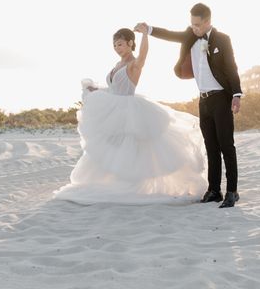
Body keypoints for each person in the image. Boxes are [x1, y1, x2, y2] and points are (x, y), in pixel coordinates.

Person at [52, 26, 205, 205]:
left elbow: (143, 55)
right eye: (115, 45)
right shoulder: (117, 64)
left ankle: (130, 183)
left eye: (120, 44)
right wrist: (96, 90)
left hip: (128, 110)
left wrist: (146, 35)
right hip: (113, 107)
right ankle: (113, 180)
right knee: (111, 148)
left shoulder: (134, 64)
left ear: (130, 43)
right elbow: (113, 88)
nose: (117, 48)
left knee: (131, 146)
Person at [134, 2, 243, 208]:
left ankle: (232, 191)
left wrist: (236, 94)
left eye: (198, 25)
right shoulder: (190, 36)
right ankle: (214, 190)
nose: (194, 28)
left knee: (226, 145)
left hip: (222, 98)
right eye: (192, 24)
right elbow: (169, 34)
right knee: (211, 147)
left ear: (208, 22)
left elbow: (231, 67)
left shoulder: (222, 40)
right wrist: (148, 29)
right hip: (203, 100)